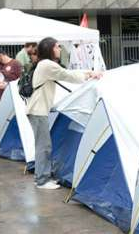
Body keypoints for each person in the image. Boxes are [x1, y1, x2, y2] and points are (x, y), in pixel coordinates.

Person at [27, 37, 102, 190]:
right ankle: (42, 180)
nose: (60, 49)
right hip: (38, 110)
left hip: (38, 110)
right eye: (57, 47)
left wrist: (89, 73)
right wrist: (89, 75)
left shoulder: (45, 65)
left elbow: (67, 72)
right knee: (44, 146)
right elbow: (68, 76)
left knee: (43, 145)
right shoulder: (47, 65)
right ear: (50, 48)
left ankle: (42, 176)